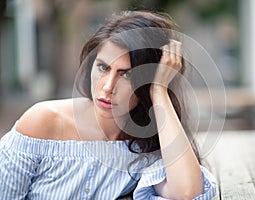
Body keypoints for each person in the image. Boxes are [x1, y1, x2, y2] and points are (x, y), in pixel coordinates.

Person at [0, 11, 216, 199]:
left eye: (127, 74)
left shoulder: (147, 143)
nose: (107, 86)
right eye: (103, 67)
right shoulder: (43, 122)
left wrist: (158, 91)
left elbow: (187, 192)